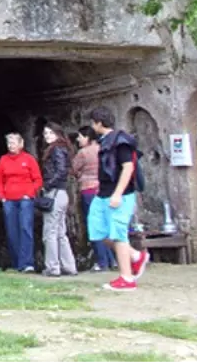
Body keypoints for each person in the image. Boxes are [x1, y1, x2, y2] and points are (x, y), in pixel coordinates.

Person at [89, 106, 149, 291]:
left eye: (93, 122)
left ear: (99, 123)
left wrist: (117, 194)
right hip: (102, 194)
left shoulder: (121, 141)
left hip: (119, 195)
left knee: (118, 234)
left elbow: (128, 167)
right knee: (98, 231)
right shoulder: (104, 141)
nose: (92, 126)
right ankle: (136, 257)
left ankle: (127, 278)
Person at [0, 132, 41, 272]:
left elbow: (38, 179)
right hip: (9, 199)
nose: (11, 146)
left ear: (21, 144)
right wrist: (2, 197)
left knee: (25, 229)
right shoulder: (3, 160)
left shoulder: (28, 159)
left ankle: (27, 263)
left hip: (25, 199)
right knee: (12, 231)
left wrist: (30, 193)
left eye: (14, 143)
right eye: (9, 143)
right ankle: (16, 263)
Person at [72, 126, 115, 272]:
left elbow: (73, 169)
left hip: (89, 190)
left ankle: (102, 262)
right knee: (105, 224)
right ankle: (112, 259)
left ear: (87, 137)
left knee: (94, 225)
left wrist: (80, 176)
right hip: (104, 189)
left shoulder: (83, 153)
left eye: (80, 137)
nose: (78, 139)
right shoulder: (103, 148)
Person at [39, 123, 77, 277]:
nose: (47, 136)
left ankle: (53, 267)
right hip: (61, 193)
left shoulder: (55, 149)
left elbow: (61, 171)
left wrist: (46, 185)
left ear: (58, 134)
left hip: (54, 193)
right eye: (45, 133)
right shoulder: (62, 148)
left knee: (50, 232)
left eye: (50, 133)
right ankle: (69, 266)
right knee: (60, 232)